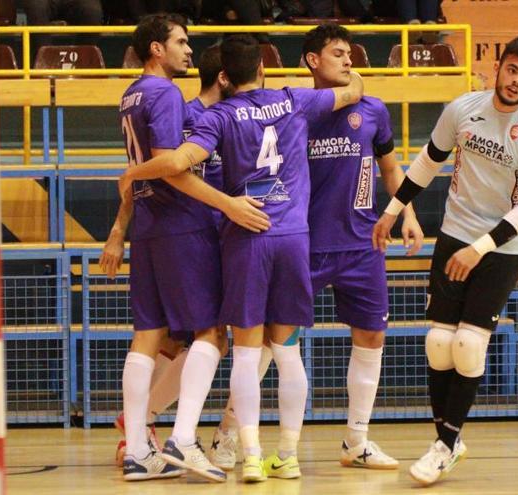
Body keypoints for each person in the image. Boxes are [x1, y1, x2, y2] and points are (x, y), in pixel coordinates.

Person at [117, 34, 364, 482]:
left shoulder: (218, 116)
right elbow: (354, 90)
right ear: (264, 69)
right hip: (291, 235)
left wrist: (134, 172)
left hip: (243, 236)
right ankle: (286, 454)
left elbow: (177, 163)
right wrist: (345, 67)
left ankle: (246, 453)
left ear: (225, 76)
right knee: (286, 352)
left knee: (242, 352)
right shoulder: (294, 100)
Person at [374, 36, 518, 486]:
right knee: (438, 343)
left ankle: (444, 444)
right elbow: (427, 162)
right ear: (499, 66)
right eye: (512, 69)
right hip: (455, 231)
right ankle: (448, 443)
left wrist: (481, 248)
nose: (517, 81)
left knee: (469, 345)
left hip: (503, 245)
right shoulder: (463, 109)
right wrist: (392, 211)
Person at [102, 14, 267, 483]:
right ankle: (183, 437)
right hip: (182, 225)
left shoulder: (129, 94)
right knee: (212, 331)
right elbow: (172, 167)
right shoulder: (166, 94)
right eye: (180, 42)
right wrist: (228, 205)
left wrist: (122, 225)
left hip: (151, 226)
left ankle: (138, 448)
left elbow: (142, 170)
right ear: (157, 49)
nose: (187, 50)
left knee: (149, 335)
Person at [304, 23, 423, 469]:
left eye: (350, 53)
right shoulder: (298, 109)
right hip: (306, 243)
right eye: (337, 53)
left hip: (363, 243)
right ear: (313, 60)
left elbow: (392, 171)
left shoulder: (373, 111)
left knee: (372, 335)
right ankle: (229, 436)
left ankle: (356, 440)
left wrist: (407, 213)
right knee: (273, 338)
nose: (349, 60)